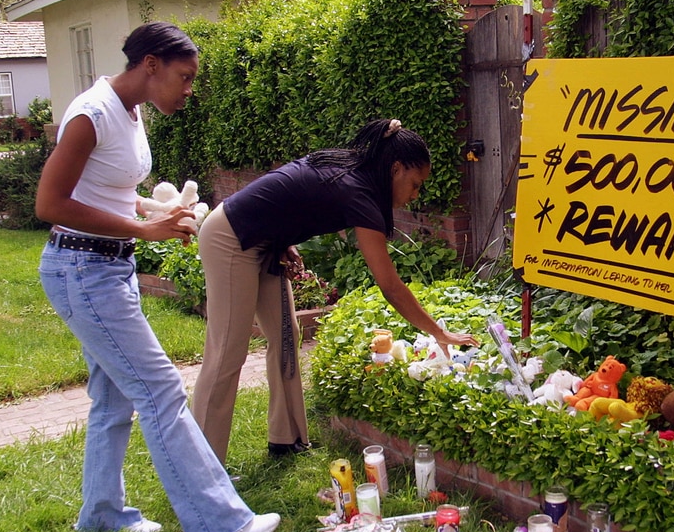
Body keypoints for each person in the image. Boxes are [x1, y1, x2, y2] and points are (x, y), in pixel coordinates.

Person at [35, 21, 280, 532]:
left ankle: (103, 515)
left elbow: (106, 188)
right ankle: (218, 528)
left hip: (103, 269)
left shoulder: (129, 111)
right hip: (81, 269)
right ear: (150, 65)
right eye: (185, 77)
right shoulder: (89, 115)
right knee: (161, 390)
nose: (189, 89)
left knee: (113, 399)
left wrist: (148, 209)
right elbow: (50, 204)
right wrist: (144, 231)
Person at [192, 118, 480, 464]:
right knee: (227, 352)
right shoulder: (358, 190)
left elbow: (290, 198)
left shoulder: (355, 173)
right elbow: (389, 285)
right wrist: (439, 332)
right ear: (396, 168)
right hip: (231, 237)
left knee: (286, 334)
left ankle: (287, 438)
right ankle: (202, 473)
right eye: (415, 184)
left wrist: (281, 236)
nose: (415, 195)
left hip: (266, 241)